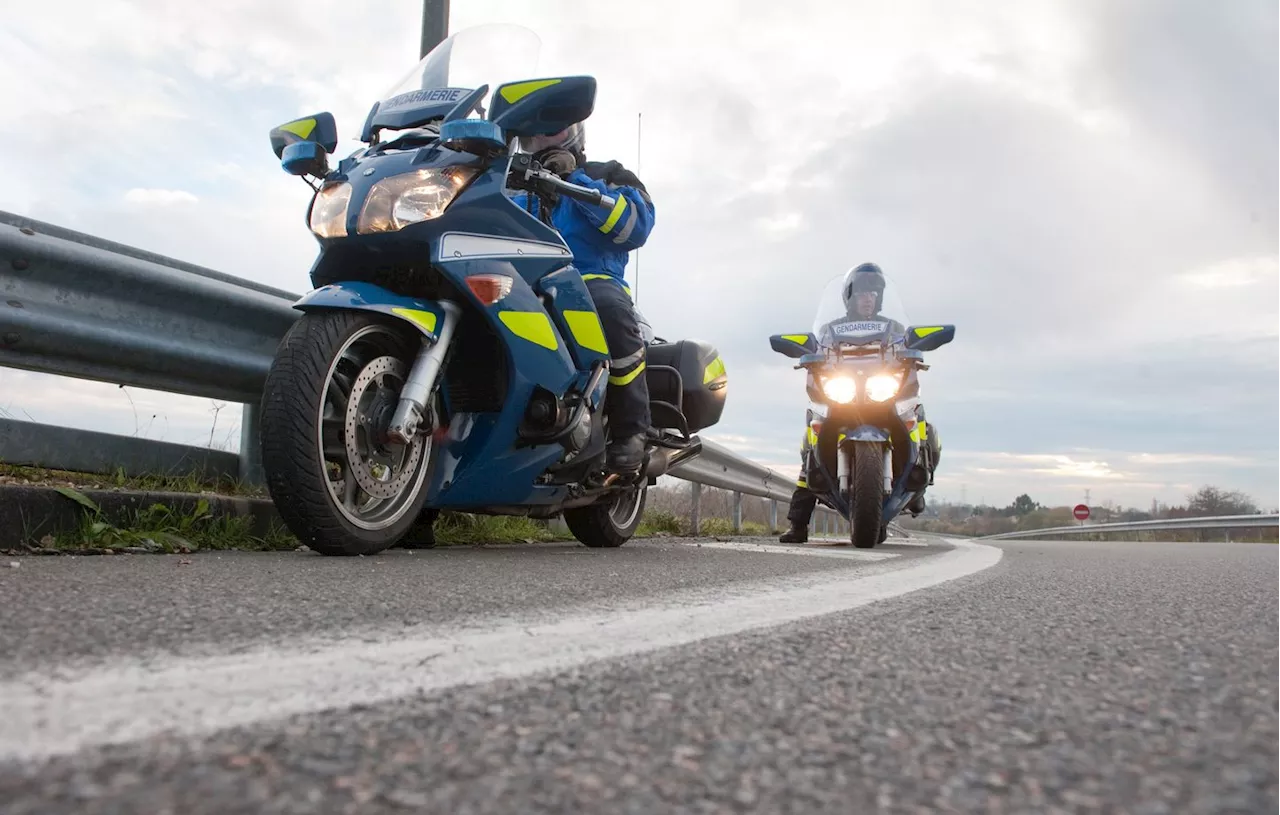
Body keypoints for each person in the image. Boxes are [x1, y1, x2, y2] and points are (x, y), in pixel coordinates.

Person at [400, 121, 655, 549]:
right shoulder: (503, 173)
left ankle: (632, 430)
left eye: (550, 132)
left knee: (609, 308)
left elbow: (636, 226)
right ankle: (421, 495)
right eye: (532, 134)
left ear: (573, 133)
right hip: (511, 276)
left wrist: (573, 179)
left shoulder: (610, 174)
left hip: (583, 276)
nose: (539, 141)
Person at [778, 262, 941, 543]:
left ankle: (918, 481)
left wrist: (916, 348)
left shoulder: (894, 328)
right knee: (811, 441)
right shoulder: (830, 331)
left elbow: (909, 346)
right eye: (862, 293)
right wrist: (806, 352)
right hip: (845, 394)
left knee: (918, 418)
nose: (868, 298)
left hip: (882, 392)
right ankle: (798, 523)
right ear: (849, 298)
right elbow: (815, 348)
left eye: (873, 293)